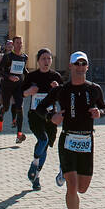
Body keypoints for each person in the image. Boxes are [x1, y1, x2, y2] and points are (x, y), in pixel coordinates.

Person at [34, 50, 105, 209]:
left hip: (87, 141)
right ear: (71, 66)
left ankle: (63, 173)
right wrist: (52, 117)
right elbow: (40, 108)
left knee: (83, 188)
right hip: (67, 141)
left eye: (84, 64)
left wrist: (99, 112)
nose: (81, 67)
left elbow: (104, 108)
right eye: (77, 64)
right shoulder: (61, 90)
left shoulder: (94, 89)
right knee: (72, 186)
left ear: (87, 67)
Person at [22, 48, 63, 190]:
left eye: (49, 59)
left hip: (51, 116)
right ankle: (34, 163)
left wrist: (57, 89)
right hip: (35, 115)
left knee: (45, 146)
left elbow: (63, 98)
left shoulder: (56, 76)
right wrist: (29, 92)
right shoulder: (32, 76)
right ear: (38, 61)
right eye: (43, 59)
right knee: (43, 139)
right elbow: (21, 94)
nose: (46, 61)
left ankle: (36, 177)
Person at [0, 36, 29, 142]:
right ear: (13, 44)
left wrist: (32, 79)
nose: (19, 45)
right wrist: (9, 77)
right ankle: (1, 115)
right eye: (17, 43)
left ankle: (19, 134)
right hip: (7, 86)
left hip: (18, 86)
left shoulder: (24, 57)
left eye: (21, 43)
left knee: (20, 108)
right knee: (7, 107)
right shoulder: (8, 57)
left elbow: (23, 70)